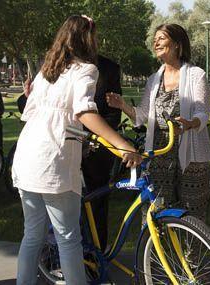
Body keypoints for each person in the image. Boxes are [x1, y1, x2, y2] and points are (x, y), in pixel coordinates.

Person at [11, 15, 142, 285]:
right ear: (88, 38)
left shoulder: (47, 71)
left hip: (26, 156)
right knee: (68, 238)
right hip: (53, 160)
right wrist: (122, 144)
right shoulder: (86, 69)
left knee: (32, 235)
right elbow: (84, 111)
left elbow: (30, 111)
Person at [107, 24, 210, 221]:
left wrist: (189, 124)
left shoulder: (196, 75)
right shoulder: (153, 80)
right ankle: (156, 252)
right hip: (158, 157)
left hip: (192, 157)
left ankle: (191, 253)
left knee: (193, 216)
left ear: (177, 44)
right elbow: (142, 115)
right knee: (156, 213)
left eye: (161, 38)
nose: (155, 42)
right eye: (154, 39)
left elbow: (203, 113)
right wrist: (122, 105)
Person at [81, 54, 122, 250]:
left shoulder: (109, 67)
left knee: (97, 201)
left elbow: (113, 112)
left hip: (97, 147)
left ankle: (97, 252)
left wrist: (95, 140)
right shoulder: (59, 64)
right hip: (64, 144)